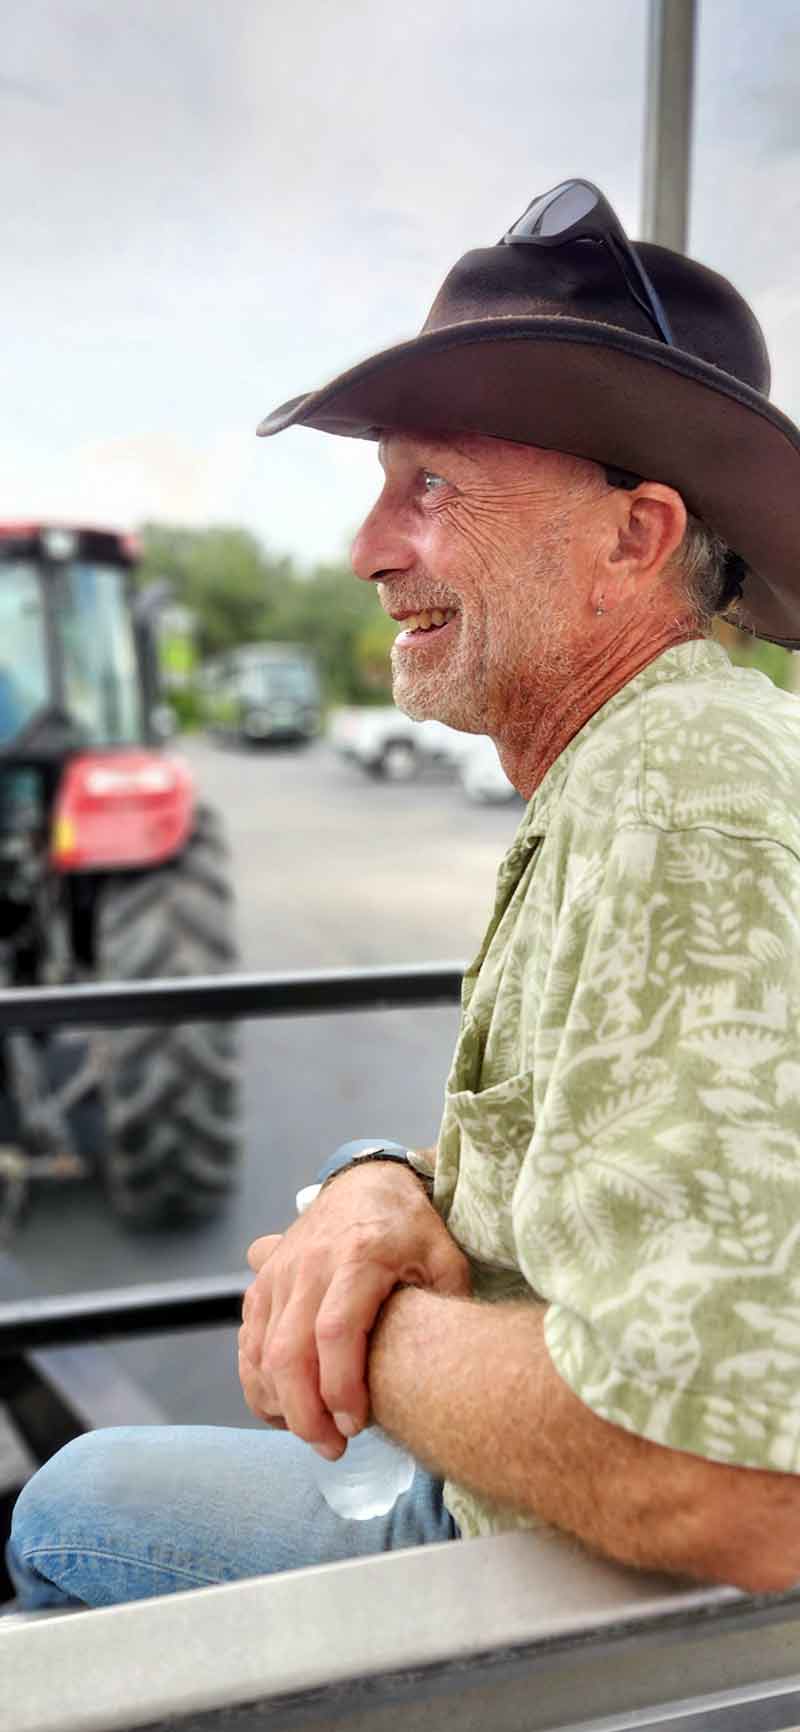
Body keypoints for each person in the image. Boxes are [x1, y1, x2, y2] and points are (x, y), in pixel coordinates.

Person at [7, 177, 800, 1610]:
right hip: (545, 1518)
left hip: (549, 1576)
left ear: (635, 538)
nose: (370, 550)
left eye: (429, 485)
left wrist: (356, 1331)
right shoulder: (654, 759)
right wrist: (384, 1186)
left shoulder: (681, 795)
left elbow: (734, 1475)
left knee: (69, 1506)